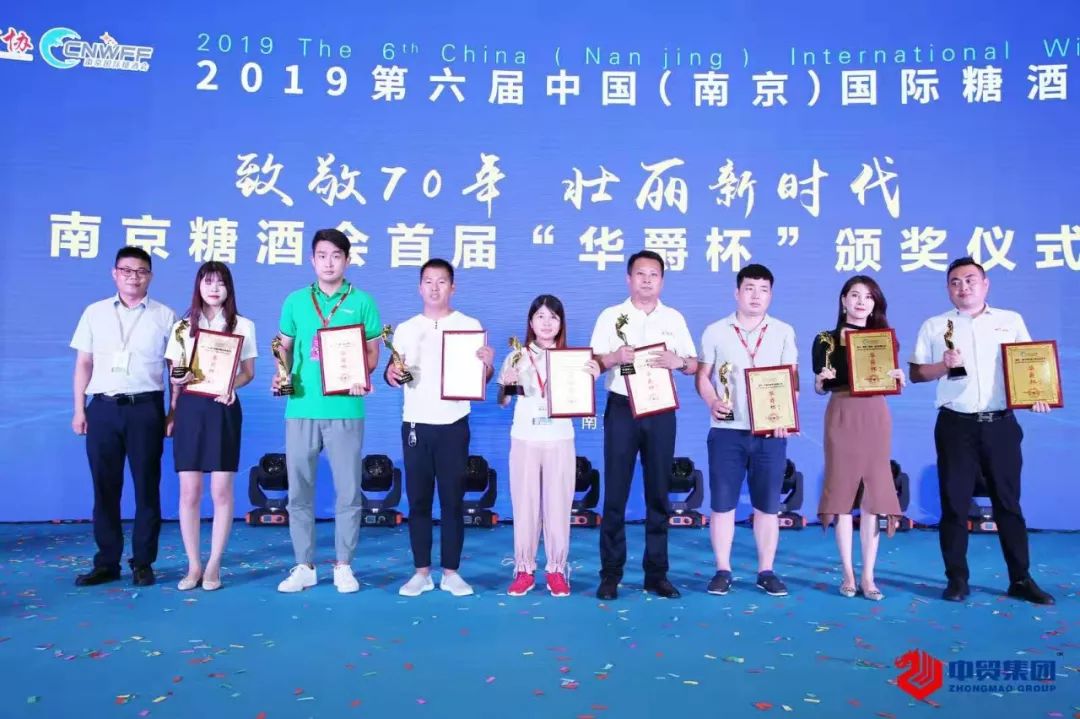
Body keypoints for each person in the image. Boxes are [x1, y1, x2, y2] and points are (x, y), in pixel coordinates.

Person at [909, 257, 1055, 605]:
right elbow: (916, 374)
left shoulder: (1010, 320)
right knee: (954, 504)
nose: (964, 287)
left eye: (970, 280)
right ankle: (957, 580)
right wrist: (942, 366)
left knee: (1008, 503)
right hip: (955, 425)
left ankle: (1020, 579)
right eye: (955, 282)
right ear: (948, 289)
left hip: (1000, 425)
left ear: (985, 284)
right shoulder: (935, 325)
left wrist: (1036, 394)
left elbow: (1029, 364)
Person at [272, 228, 381, 594]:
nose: (329, 262)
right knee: (298, 491)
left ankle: (344, 565)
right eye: (322, 255)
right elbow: (284, 348)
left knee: (348, 490)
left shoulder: (362, 301)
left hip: (346, 407)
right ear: (312, 260)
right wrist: (281, 374)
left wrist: (362, 374)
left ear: (347, 260)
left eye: (336, 255)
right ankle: (304, 565)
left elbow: (372, 353)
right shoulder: (295, 301)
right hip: (301, 406)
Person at [589, 250, 698, 600]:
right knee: (615, 493)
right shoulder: (611, 316)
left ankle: (656, 574)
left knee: (658, 493)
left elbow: (694, 365)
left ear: (662, 281)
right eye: (640, 273)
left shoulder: (674, 318)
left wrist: (678, 361)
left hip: (660, 409)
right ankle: (611, 574)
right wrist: (614, 357)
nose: (647, 280)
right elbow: (593, 363)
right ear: (628, 279)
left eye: (654, 274)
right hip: (623, 406)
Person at [385, 259, 494, 598]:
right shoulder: (405, 329)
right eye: (428, 281)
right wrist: (391, 374)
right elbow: (392, 372)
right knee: (418, 501)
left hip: (453, 425)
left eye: (442, 281)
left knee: (452, 501)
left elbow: (482, 378)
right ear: (420, 287)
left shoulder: (469, 326)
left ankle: (451, 573)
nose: (435, 288)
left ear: (453, 287)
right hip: (416, 424)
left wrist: (488, 366)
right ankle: (421, 572)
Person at [70, 247, 177, 587]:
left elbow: (175, 370)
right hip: (102, 408)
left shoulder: (165, 316)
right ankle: (107, 562)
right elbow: (83, 363)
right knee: (105, 488)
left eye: (141, 271)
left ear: (150, 276)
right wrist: (79, 409)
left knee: (147, 487)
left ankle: (143, 562)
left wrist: (172, 411)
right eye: (127, 270)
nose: (134, 276)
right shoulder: (95, 313)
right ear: (114, 273)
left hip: (146, 408)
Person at [695, 264, 797, 597]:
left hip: (769, 433)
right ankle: (722, 570)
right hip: (727, 431)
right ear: (736, 292)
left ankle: (766, 571)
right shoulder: (715, 331)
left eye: (763, 289)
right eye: (749, 288)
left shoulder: (783, 332)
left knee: (767, 505)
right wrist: (712, 401)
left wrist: (786, 416)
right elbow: (703, 376)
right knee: (722, 504)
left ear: (771, 295)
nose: (756, 295)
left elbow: (792, 380)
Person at [497, 295, 600, 597]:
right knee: (525, 506)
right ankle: (524, 569)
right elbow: (503, 402)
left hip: (559, 438)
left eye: (553, 317)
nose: (546, 323)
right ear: (531, 322)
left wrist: (591, 378)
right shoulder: (516, 355)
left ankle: (556, 568)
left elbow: (581, 400)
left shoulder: (574, 360)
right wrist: (507, 384)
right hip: (525, 438)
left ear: (560, 323)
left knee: (558, 506)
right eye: (540, 316)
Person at [811, 275, 904, 601]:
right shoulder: (825, 339)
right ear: (843, 300)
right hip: (842, 414)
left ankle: (868, 577)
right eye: (854, 295)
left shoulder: (884, 339)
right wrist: (820, 381)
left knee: (872, 498)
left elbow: (889, 381)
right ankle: (848, 574)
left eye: (868, 296)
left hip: (875, 415)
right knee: (841, 495)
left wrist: (898, 378)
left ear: (875, 303)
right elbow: (820, 386)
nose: (861, 301)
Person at [166, 262, 257, 591]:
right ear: (198, 286)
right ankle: (193, 565)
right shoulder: (181, 327)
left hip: (223, 408)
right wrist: (178, 386)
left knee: (221, 490)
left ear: (229, 288)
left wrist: (232, 385)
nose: (214, 288)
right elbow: (174, 374)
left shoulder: (243, 325)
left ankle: (215, 563)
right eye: (208, 282)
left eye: (221, 283)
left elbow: (248, 372)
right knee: (189, 491)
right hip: (190, 408)